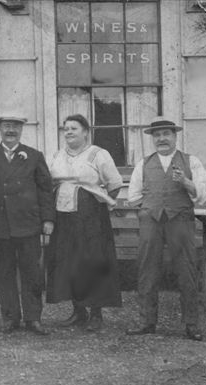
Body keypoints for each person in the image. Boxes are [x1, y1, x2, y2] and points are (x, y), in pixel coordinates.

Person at [126, 116, 206, 341]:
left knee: (186, 270)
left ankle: (192, 325)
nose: (161, 138)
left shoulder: (191, 162)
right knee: (147, 270)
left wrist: (185, 182)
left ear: (175, 136)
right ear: (152, 139)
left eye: (166, 134)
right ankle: (147, 322)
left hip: (180, 220)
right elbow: (132, 196)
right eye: (157, 135)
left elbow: (202, 195)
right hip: (151, 221)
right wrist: (147, 207)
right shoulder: (144, 163)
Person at [46, 114, 123, 331]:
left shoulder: (98, 154)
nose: (69, 132)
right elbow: (49, 183)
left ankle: (96, 313)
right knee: (69, 262)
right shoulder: (56, 156)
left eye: (74, 128)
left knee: (92, 262)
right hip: (63, 216)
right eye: (66, 128)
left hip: (90, 219)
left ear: (86, 132)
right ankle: (78, 311)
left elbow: (114, 184)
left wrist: (96, 201)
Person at [0, 114, 55, 335]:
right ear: (0, 129)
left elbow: (45, 189)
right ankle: (10, 317)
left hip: (28, 224)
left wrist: (48, 219)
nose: (10, 130)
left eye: (15, 126)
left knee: (31, 272)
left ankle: (33, 318)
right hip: (1, 225)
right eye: (6, 126)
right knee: (4, 272)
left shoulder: (34, 156)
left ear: (22, 130)